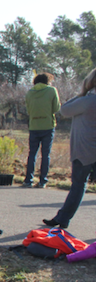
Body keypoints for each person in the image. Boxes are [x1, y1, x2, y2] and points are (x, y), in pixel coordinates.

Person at [43, 68, 96, 229]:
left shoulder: (87, 101)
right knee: (79, 186)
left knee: (78, 185)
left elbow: (64, 109)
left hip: (85, 150)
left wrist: (81, 93)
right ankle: (62, 217)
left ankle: (63, 218)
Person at [23, 73, 60, 188]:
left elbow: (28, 111)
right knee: (45, 154)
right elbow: (56, 108)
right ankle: (42, 180)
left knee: (32, 154)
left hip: (34, 126)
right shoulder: (52, 90)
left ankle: (28, 180)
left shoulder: (29, 93)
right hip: (48, 125)